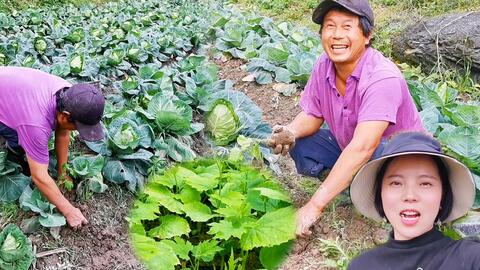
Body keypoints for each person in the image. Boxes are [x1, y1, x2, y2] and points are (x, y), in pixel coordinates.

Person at [266, 0, 424, 237]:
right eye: (330, 26)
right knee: (302, 142)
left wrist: (314, 206)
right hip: (353, 149)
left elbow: (363, 147)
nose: (337, 35)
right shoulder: (324, 65)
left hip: (401, 159)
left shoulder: (382, 78)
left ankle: (389, 203)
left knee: (379, 152)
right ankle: (346, 184)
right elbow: (313, 114)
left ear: (367, 35)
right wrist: (291, 131)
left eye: (347, 27)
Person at [348, 132, 480, 269]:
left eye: (425, 184)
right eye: (396, 183)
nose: (410, 196)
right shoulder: (362, 266)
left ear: (443, 196)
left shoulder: (470, 258)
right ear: (380, 194)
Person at [0, 66, 105, 229]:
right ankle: (14, 144)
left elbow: (63, 133)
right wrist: (69, 210)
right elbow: (39, 177)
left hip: (9, 87)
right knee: (20, 138)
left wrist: (63, 172)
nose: (77, 130)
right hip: (10, 95)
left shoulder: (68, 94)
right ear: (65, 116)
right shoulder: (35, 124)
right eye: (78, 127)